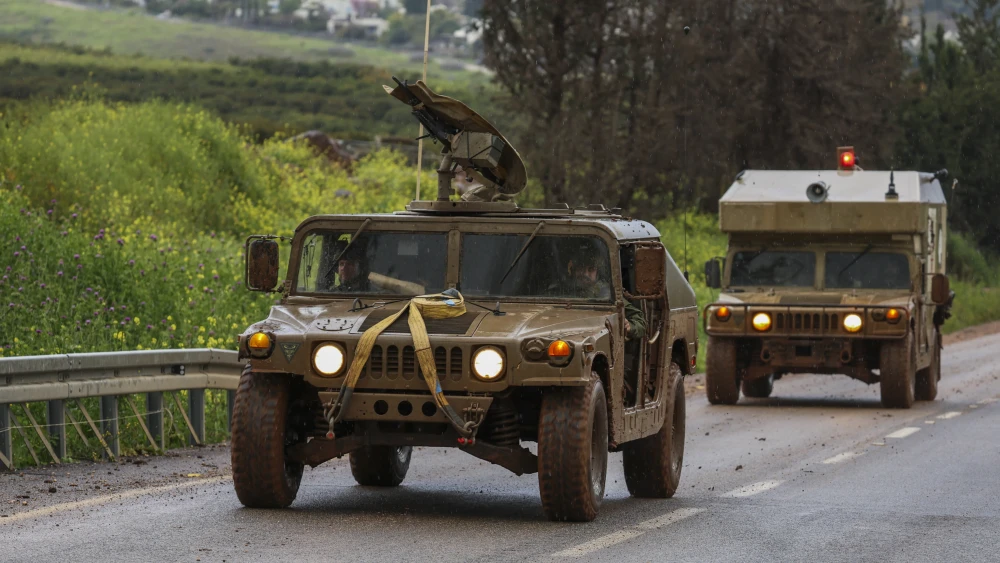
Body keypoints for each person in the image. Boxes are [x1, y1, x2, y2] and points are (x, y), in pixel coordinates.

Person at [564, 252, 645, 341]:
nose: (585, 274)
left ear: (597, 272)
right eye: (581, 268)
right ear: (573, 270)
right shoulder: (559, 291)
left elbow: (640, 322)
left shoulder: (607, 294)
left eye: (591, 269)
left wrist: (629, 326)